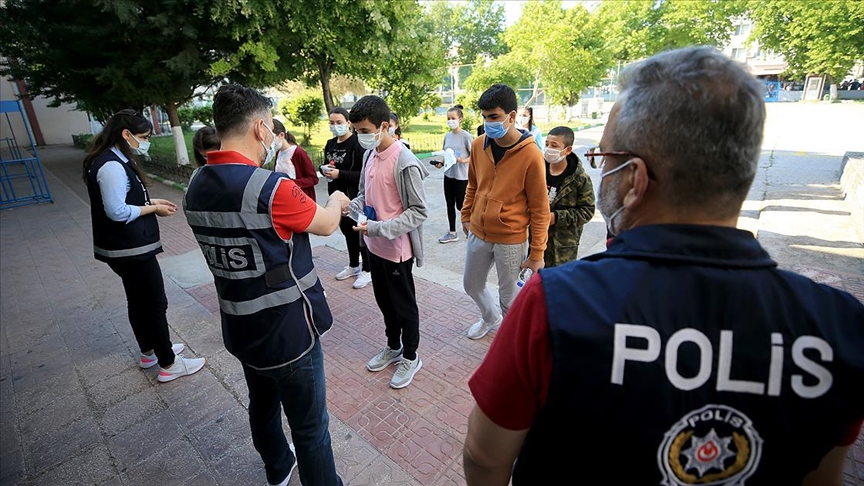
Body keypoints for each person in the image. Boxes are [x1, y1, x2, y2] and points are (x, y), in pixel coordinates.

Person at [462, 46, 864, 485]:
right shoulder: (839, 327)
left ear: (635, 179)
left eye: (604, 159)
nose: (600, 171)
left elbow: (485, 457)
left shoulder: (554, 305)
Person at [183, 84, 347, 486]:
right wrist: (337, 201)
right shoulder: (272, 188)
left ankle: (277, 468)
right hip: (290, 333)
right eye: (271, 128)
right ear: (260, 128)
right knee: (310, 429)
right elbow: (326, 224)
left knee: (262, 405)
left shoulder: (195, 185)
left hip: (241, 328)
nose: (273, 137)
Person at [82, 109, 205, 382]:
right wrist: (152, 209)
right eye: (144, 137)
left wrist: (151, 202)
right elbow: (117, 211)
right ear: (126, 135)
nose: (146, 142)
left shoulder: (114, 160)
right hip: (130, 249)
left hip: (124, 248)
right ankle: (169, 363)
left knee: (138, 301)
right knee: (154, 303)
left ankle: (150, 351)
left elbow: (123, 201)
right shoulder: (112, 166)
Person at [346, 95, 429, 389]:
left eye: (365, 131)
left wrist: (379, 228)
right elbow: (364, 194)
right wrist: (352, 206)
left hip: (397, 250)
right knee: (384, 302)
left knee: (404, 306)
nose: (361, 137)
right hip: (373, 246)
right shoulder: (369, 155)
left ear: (384, 126)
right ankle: (393, 346)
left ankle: (411, 356)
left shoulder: (404, 161)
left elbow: (418, 211)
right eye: (357, 130)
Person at [461, 84, 550, 340]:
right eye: (485, 117)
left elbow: (540, 209)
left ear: (512, 116)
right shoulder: (479, 145)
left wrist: (537, 254)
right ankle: (490, 318)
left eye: (494, 117)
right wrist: (466, 215)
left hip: (510, 238)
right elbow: (473, 185)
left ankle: (512, 341)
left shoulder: (531, 155)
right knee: (471, 284)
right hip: (478, 231)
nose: (488, 123)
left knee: (509, 297)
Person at [323, 107, 372, 289]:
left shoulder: (357, 144)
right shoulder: (330, 143)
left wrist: (340, 174)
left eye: (339, 122)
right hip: (336, 196)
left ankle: (367, 269)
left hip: (354, 197)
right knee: (346, 232)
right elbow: (329, 164)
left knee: (359, 233)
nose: (335, 126)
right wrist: (325, 169)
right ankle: (353, 265)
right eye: (332, 122)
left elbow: (363, 174)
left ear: (348, 123)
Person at [541, 126, 595, 267]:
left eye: (554, 146)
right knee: (533, 279)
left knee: (558, 279)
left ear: (568, 150)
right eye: (547, 144)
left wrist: (556, 217)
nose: (548, 149)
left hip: (563, 248)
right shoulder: (538, 170)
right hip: (535, 241)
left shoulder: (579, 179)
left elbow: (587, 211)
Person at [437, 105, 473, 244]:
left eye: (453, 118)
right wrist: (441, 162)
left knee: (462, 206)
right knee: (449, 204)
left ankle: (471, 230)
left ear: (460, 119)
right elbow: (446, 154)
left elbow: (475, 155)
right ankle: (452, 232)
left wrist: (463, 160)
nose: (450, 121)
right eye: (448, 118)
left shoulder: (466, 136)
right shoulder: (447, 136)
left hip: (462, 177)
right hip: (449, 175)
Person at [264, 119, 319, 202]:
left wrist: (291, 183)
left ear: (281, 135)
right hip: (285, 197)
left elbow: (313, 178)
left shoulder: (298, 152)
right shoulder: (278, 152)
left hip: (301, 199)